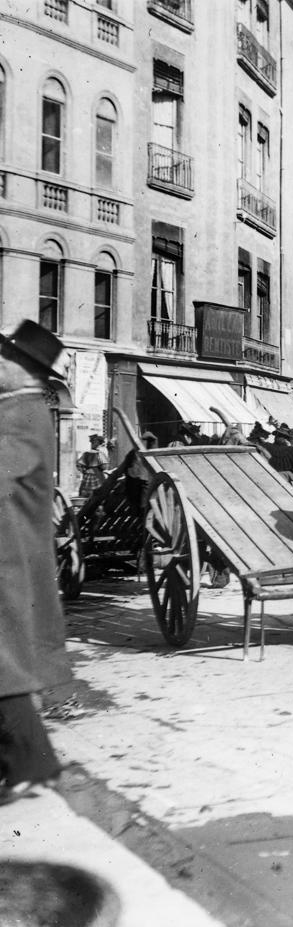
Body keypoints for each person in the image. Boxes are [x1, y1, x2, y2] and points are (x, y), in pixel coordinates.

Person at [0, 320, 73, 804]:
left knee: (4, 663)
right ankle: (30, 764)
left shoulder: (22, 414)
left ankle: (32, 765)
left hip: (7, 559)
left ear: (22, 369)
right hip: (10, 550)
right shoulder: (20, 410)